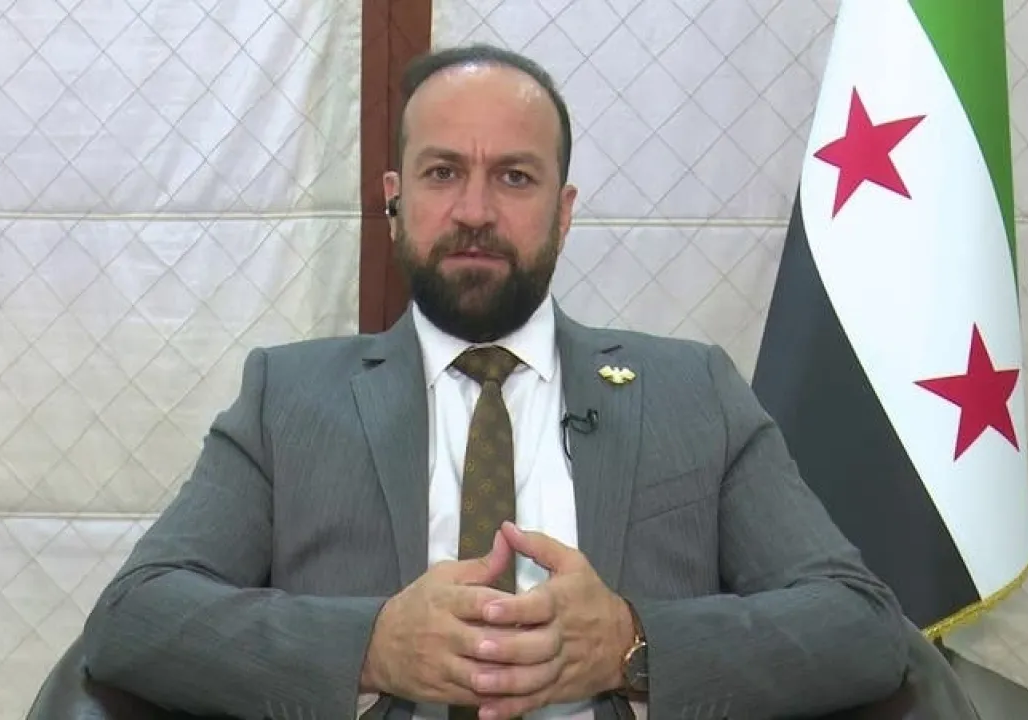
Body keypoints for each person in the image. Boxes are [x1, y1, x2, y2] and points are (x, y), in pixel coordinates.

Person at [79, 43, 910, 720]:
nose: (475, 210)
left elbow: (862, 624)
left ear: (564, 210)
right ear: (395, 200)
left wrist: (633, 645)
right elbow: (135, 616)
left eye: (514, 177)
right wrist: (369, 647)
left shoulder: (693, 389)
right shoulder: (287, 398)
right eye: (443, 173)